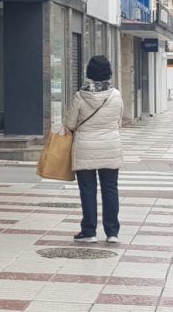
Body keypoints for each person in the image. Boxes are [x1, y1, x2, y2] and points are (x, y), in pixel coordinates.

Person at [64, 55, 124, 244]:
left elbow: (69, 123)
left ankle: (89, 231)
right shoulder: (116, 95)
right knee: (110, 189)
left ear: (89, 72)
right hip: (110, 145)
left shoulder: (80, 96)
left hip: (85, 147)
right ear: (109, 72)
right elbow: (118, 121)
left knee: (88, 190)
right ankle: (112, 232)